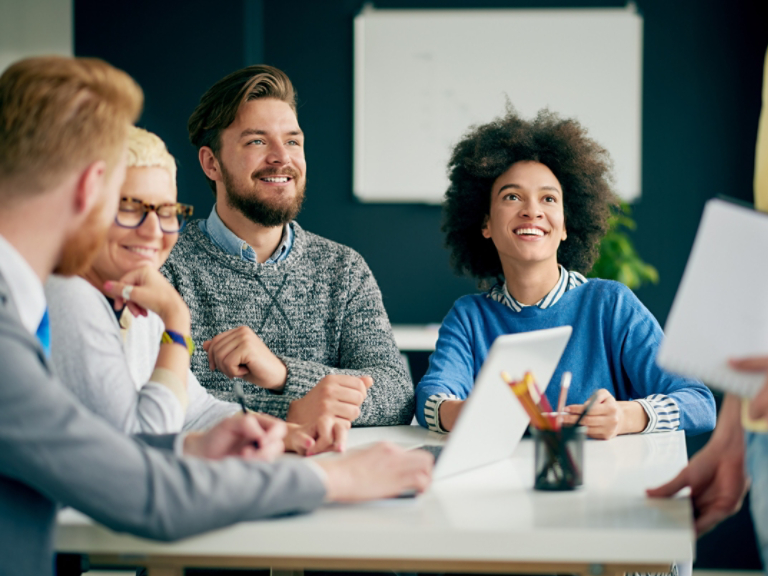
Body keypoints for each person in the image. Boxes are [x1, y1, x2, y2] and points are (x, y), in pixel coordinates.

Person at [0, 55, 433, 576]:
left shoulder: (31, 305)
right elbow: (140, 483)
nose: (150, 230)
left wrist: (225, 426)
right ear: (92, 186)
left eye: (292, 140)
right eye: (127, 200)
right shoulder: (84, 294)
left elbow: (139, 433)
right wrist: (335, 478)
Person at [415, 108, 716, 439]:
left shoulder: (610, 304)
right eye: (512, 196)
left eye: (548, 198)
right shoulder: (469, 317)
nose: (532, 210)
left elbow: (699, 402)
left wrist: (627, 416)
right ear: (485, 223)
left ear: (566, 227)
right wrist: (462, 412)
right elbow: (432, 398)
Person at [46, 126, 344, 454]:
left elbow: (195, 411)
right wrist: (176, 322)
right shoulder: (66, 295)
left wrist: (285, 433)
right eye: (130, 207)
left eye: (166, 212)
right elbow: (142, 444)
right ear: (86, 208)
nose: (153, 231)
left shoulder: (132, 297)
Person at [161, 65, 413, 428]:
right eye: (257, 141)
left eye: (293, 141)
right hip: (219, 477)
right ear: (211, 163)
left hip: (328, 474)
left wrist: (283, 375)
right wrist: (298, 412)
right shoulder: (165, 264)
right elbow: (167, 403)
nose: (282, 157)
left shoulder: (343, 268)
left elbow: (396, 396)